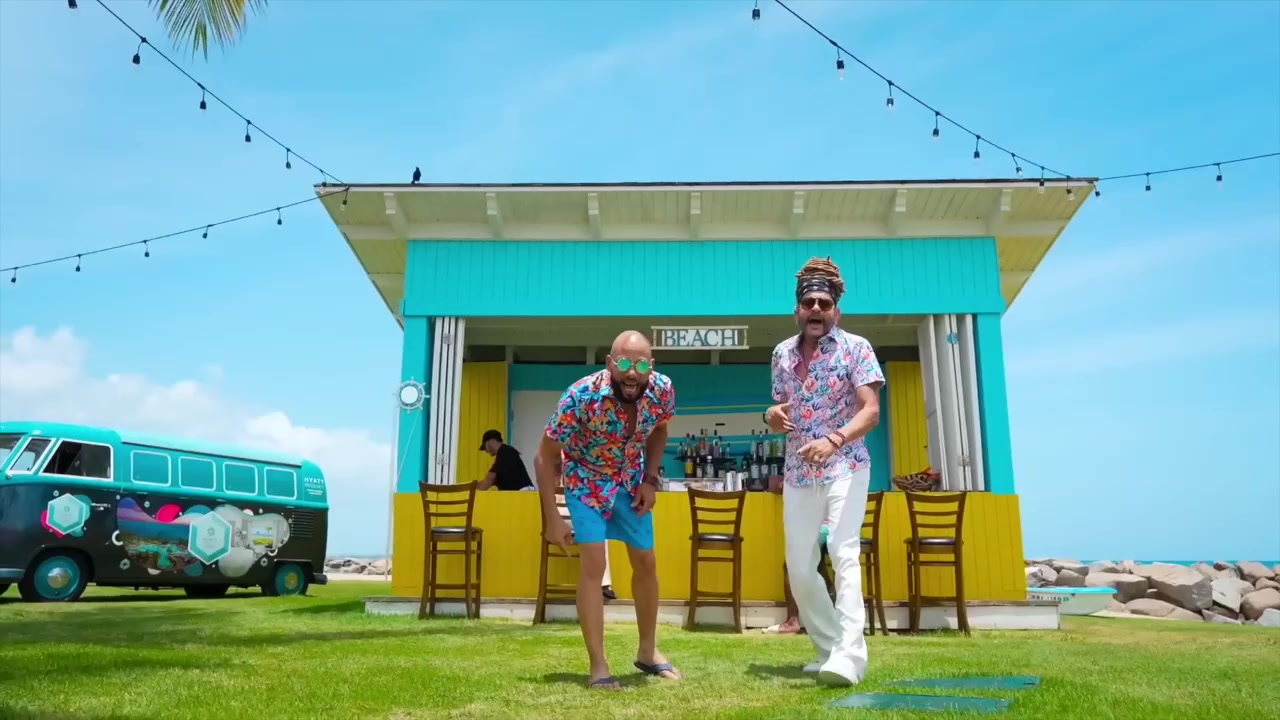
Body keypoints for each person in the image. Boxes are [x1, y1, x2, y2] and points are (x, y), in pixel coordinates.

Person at [534, 330, 681, 690]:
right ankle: (598, 666)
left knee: (646, 561)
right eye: (625, 363)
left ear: (651, 366)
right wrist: (552, 518)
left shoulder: (662, 389)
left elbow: (659, 431)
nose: (632, 373)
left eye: (641, 365)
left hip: (630, 480)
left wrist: (651, 480)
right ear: (610, 363)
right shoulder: (581, 396)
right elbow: (544, 456)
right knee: (594, 564)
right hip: (586, 480)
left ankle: (648, 651)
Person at [763, 256, 884, 687]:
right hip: (798, 471)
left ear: (837, 310)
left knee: (842, 551)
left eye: (824, 303)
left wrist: (834, 439)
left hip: (846, 464)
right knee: (799, 565)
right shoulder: (781, 353)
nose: (816, 309)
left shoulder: (857, 348)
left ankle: (851, 656)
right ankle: (829, 647)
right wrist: (770, 415)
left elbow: (871, 411)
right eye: (809, 302)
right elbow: (779, 407)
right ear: (797, 309)